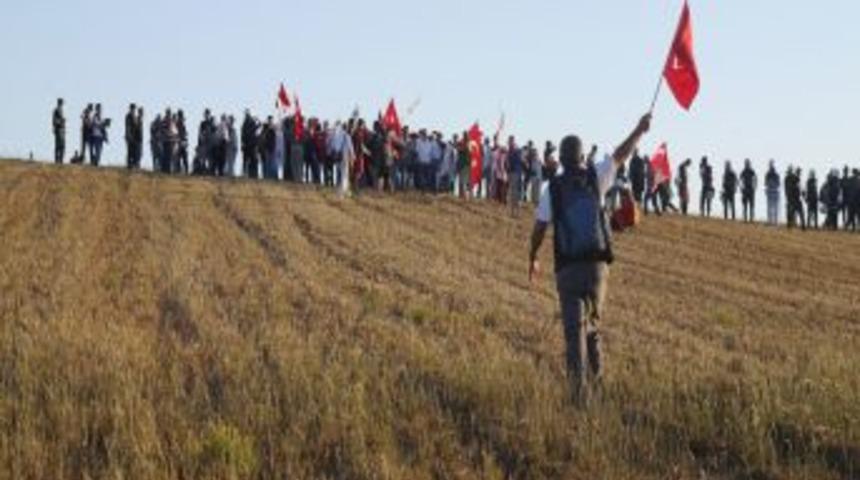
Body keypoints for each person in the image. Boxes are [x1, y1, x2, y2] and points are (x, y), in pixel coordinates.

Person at [528, 113, 651, 406]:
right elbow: (621, 154)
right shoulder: (595, 176)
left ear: (560, 159)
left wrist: (533, 257)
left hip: (568, 267)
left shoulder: (552, 189)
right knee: (593, 327)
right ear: (582, 156)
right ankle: (599, 385)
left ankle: (578, 397)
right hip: (597, 265)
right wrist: (639, 129)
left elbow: (539, 229)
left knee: (574, 333)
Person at [764, 160, 781, 226]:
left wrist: (772, 184)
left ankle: (775, 222)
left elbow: (778, 184)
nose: (771, 166)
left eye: (771, 164)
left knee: (775, 208)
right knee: (769, 208)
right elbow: (765, 183)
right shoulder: (767, 174)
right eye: (770, 165)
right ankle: (770, 221)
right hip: (770, 192)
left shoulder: (776, 174)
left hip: (774, 192)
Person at [52, 98, 65, 164]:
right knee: (58, 145)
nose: (62, 104)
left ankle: (60, 160)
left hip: (62, 129)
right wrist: (61, 121)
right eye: (61, 102)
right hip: (58, 129)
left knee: (62, 145)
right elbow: (54, 121)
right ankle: (57, 160)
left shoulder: (61, 110)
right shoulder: (56, 110)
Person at [124, 104, 137, 169]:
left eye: (134, 109)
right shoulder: (128, 116)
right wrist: (129, 135)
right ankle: (129, 164)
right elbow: (128, 126)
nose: (134, 110)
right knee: (129, 151)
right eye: (133, 108)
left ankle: (132, 164)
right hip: (129, 136)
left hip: (134, 136)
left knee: (133, 151)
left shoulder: (134, 116)